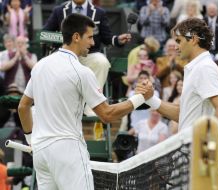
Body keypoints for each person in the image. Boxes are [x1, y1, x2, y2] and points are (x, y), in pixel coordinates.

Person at [18, 14, 153, 190]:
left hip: (41, 153)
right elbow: (107, 114)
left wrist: (31, 140)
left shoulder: (40, 66)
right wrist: (140, 97)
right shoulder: (82, 72)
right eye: (89, 37)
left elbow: (23, 107)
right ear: (76, 37)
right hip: (67, 149)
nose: (92, 42)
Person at [144, 18, 218, 131]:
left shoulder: (204, 67)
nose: (176, 47)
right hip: (191, 146)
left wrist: (206, 144)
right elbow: (184, 115)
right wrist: (150, 99)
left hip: (201, 147)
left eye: (179, 41)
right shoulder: (198, 67)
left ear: (193, 39)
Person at [43, 0, 131, 89]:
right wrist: (66, 38)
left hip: (89, 53)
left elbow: (107, 37)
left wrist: (118, 40)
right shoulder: (59, 10)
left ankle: (94, 98)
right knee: (51, 63)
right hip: (65, 53)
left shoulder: (99, 12)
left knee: (101, 62)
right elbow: (44, 34)